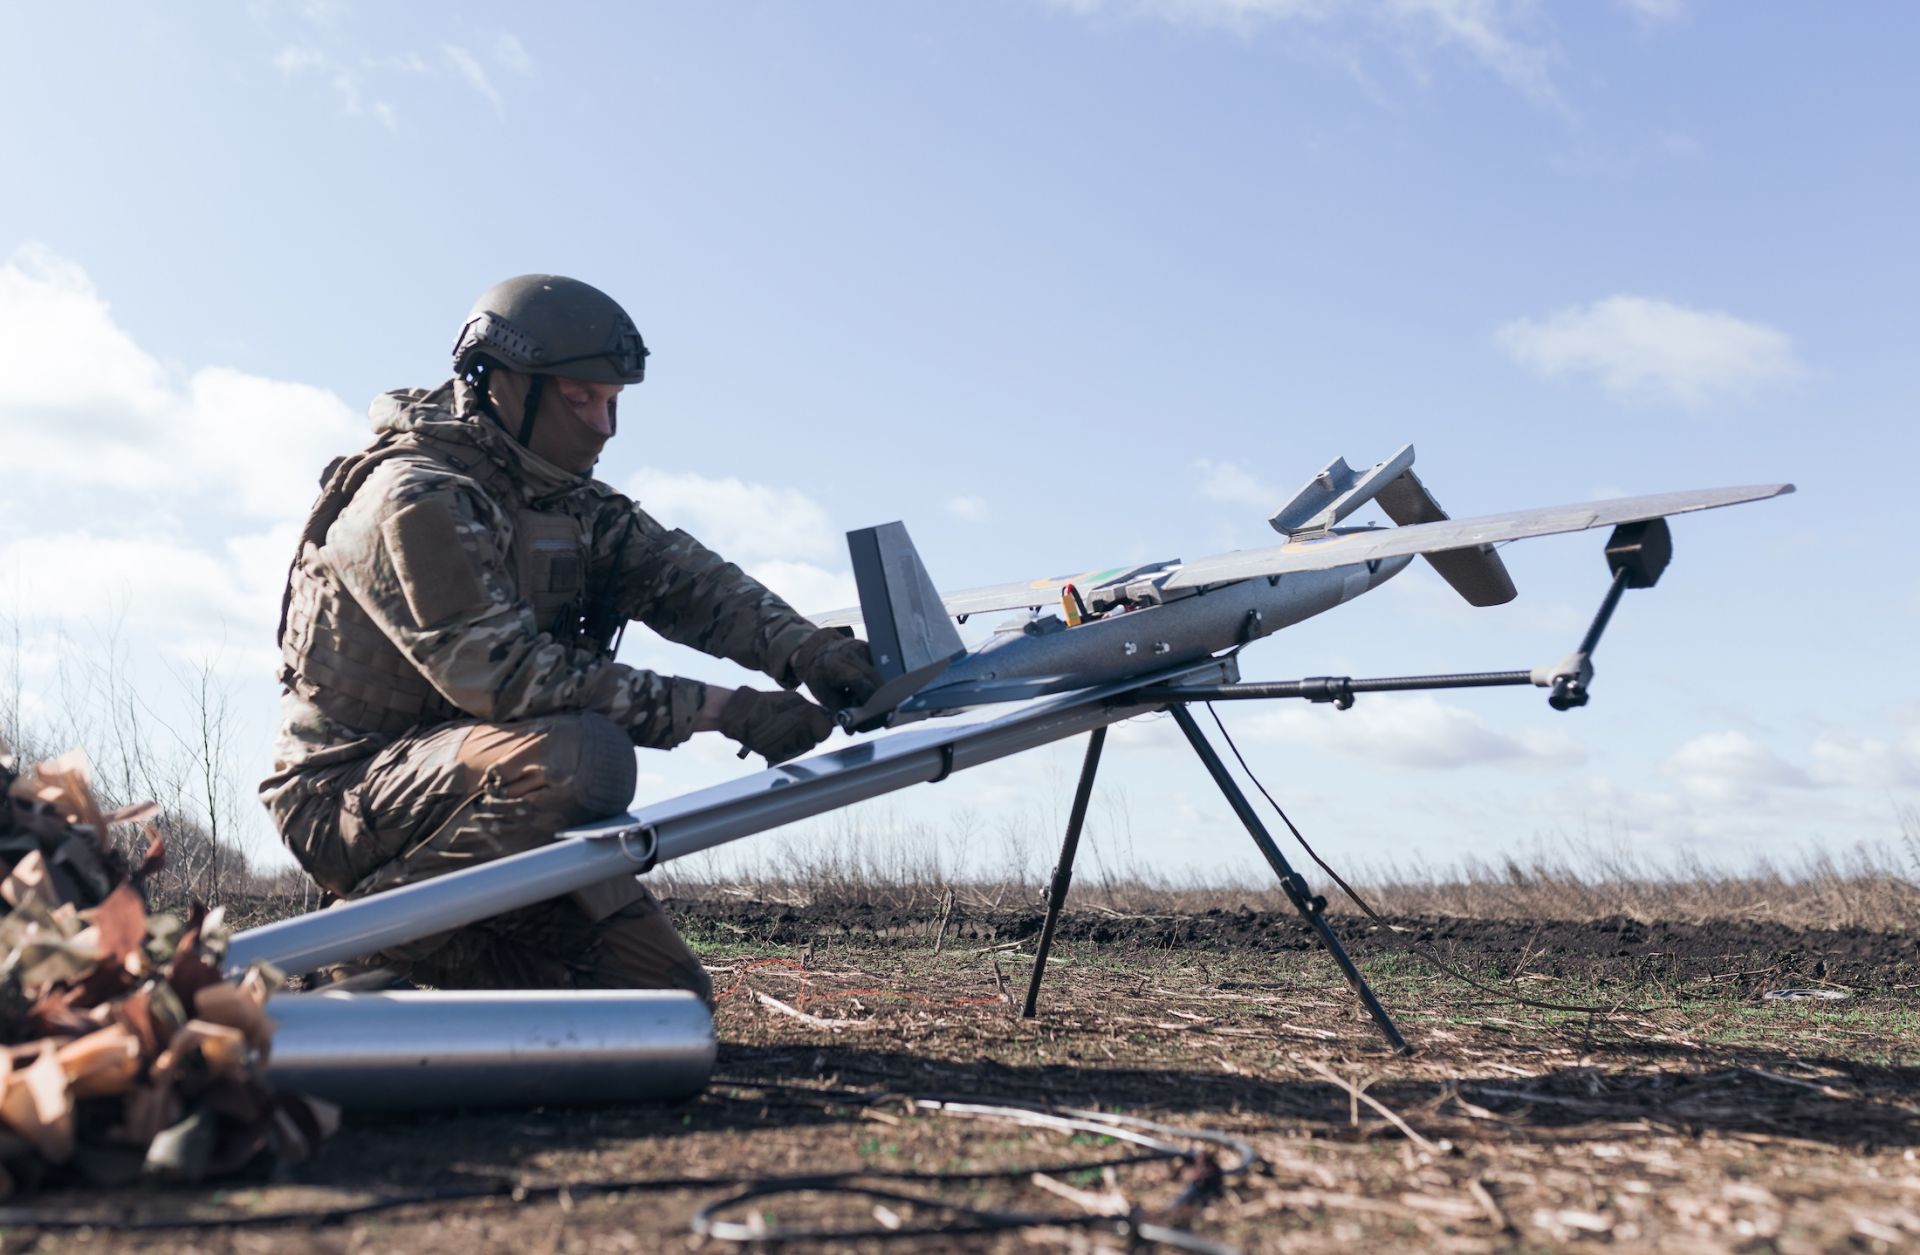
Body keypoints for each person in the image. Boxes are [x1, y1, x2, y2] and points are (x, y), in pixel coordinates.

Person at [258, 275, 880, 1001]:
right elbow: (505, 678)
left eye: (613, 402)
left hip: (504, 798)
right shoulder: (414, 497)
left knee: (663, 1000)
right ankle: (358, 944)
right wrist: (725, 711)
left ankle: (431, 962)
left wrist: (807, 651)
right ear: (501, 386)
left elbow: (691, 582)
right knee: (588, 758)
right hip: (353, 797)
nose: (603, 426)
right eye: (580, 399)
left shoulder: (568, 502)